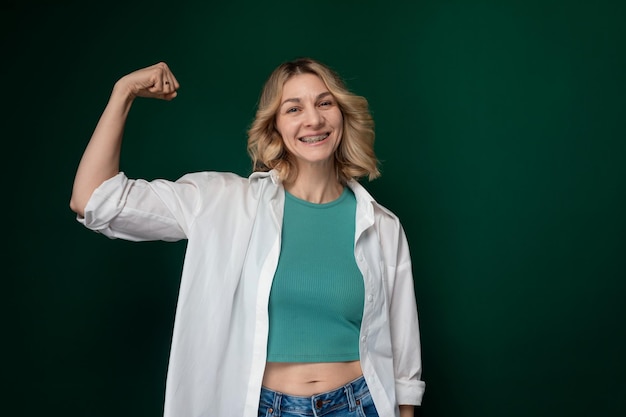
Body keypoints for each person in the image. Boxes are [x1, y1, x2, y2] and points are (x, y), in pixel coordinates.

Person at [70, 58, 425, 417]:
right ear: (275, 126)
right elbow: (95, 201)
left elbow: (404, 359)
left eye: (324, 103)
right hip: (262, 407)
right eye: (293, 108)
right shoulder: (222, 202)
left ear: (342, 114)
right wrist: (123, 93)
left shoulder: (381, 225)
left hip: (359, 405)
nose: (313, 119)